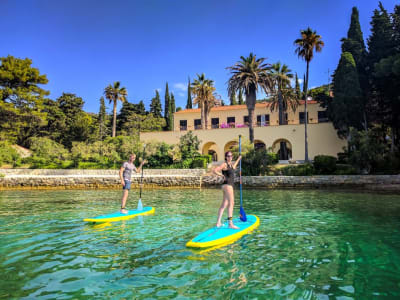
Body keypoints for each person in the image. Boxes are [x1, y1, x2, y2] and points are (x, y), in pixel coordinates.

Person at [213, 151, 242, 229]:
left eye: (231, 156)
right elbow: (215, 170)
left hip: (226, 186)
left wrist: (239, 159)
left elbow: (234, 166)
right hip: (228, 185)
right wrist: (221, 175)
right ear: (226, 157)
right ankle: (230, 224)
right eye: (228, 156)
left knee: (224, 204)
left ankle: (218, 223)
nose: (230, 157)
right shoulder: (225, 164)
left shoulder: (231, 165)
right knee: (231, 203)